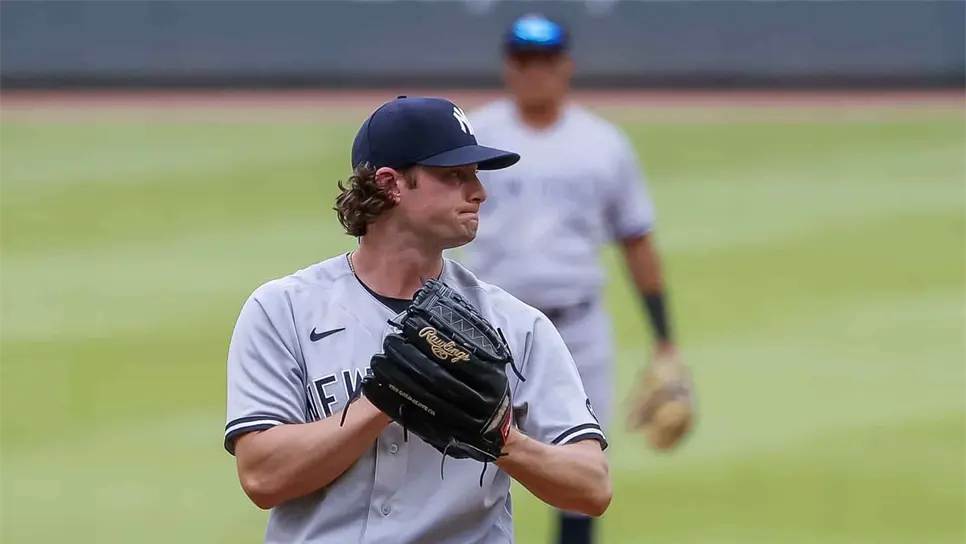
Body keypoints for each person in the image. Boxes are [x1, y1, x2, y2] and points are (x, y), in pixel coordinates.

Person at [223, 95, 612, 544]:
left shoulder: (515, 324)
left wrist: (502, 438)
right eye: (453, 176)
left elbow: (592, 487)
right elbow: (262, 479)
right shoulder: (283, 310)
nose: (479, 191)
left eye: (476, 176)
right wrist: (385, 398)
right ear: (390, 183)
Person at [461, 14, 686, 544]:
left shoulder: (602, 144)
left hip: (576, 331)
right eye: (522, 62)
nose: (534, 73)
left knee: (578, 474)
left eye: (544, 62)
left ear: (566, 67)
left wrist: (665, 340)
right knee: (465, 470)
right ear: (507, 67)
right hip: (485, 328)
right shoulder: (474, 136)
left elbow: (636, 241)